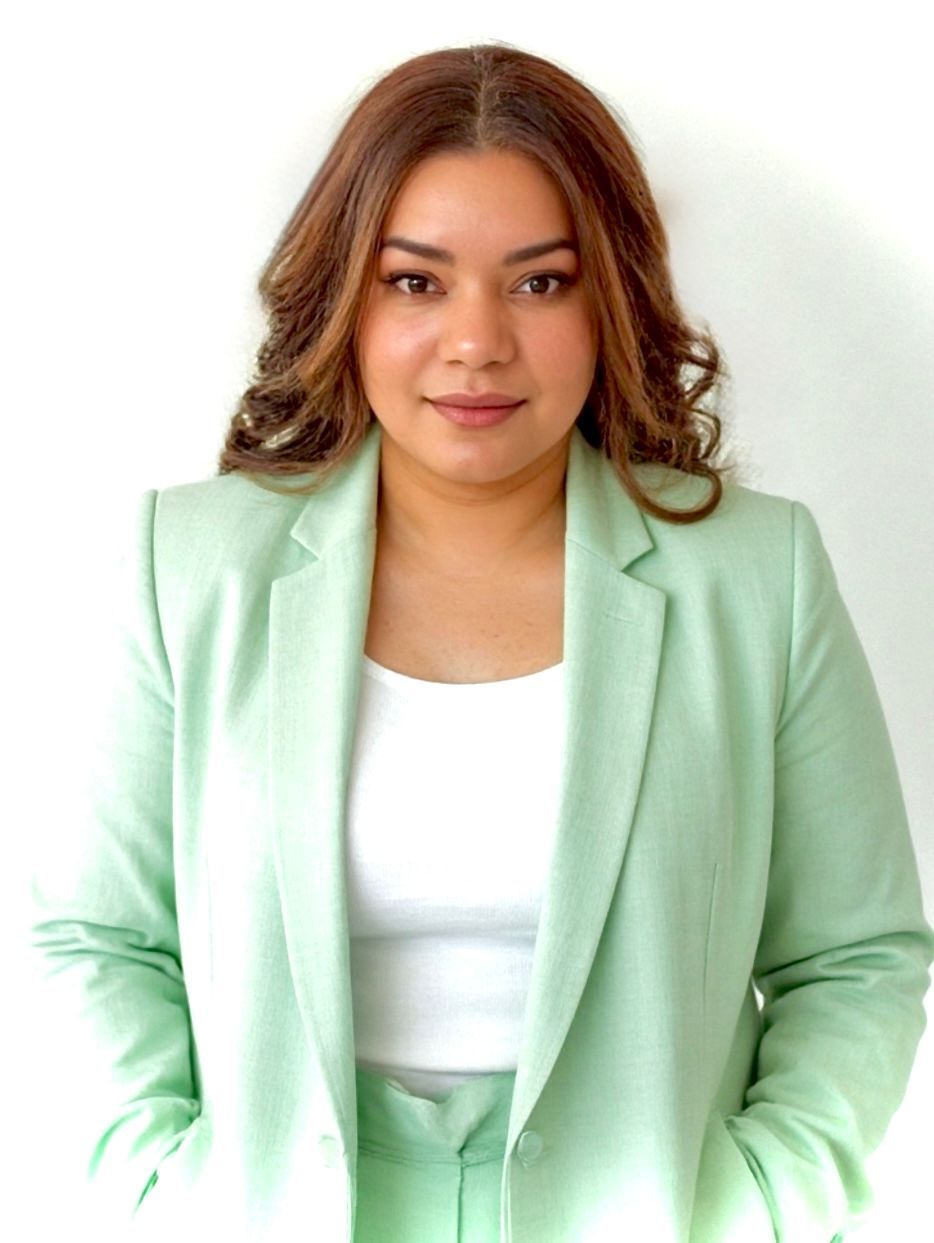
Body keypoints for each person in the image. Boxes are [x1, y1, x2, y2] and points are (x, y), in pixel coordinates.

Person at [29, 41, 933, 1243]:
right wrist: (167, 1192)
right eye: (415, 282)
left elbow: (855, 955)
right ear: (343, 295)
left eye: (539, 282)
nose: (476, 342)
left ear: (608, 297)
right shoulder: (188, 569)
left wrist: (763, 1202)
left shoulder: (753, 576)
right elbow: (96, 934)